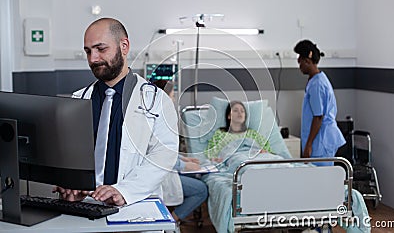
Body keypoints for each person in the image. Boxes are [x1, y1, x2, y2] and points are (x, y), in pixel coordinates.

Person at [54, 17, 179, 206]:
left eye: (101, 49)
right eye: (88, 51)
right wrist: (70, 184)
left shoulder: (156, 101)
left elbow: (163, 155)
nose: (93, 59)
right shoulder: (78, 100)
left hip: (134, 204)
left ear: (124, 46)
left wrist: (125, 191)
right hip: (86, 204)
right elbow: (69, 156)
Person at [153, 79, 208, 223]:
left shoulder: (162, 117)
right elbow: (158, 155)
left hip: (167, 169)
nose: (174, 99)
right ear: (164, 96)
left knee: (198, 177)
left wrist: (184, 159)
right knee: (201, 190)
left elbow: (166, 150)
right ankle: (172, 221)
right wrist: (184, 166)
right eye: (172, 95)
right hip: (161, 176)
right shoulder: (157, 121)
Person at [294, 39, 345, 166]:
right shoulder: (317, 79)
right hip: (321, 139)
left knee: (321, 179)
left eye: (300, 63)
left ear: (308, 61)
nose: (299, 67)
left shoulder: (317, 85)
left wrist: (309, 145)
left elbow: (318, 117)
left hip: (320, 142)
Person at [205, 101, 273, 163]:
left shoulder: (253, 134)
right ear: (229, 116)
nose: (239, 113)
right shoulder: (220, 134)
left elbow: (267, 151)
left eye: (242, 111)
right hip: (237, 160)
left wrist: (264, 152)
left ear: (245, 116)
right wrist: (215, 159)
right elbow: (211, 153)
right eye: (235, 110)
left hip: (257, 159)